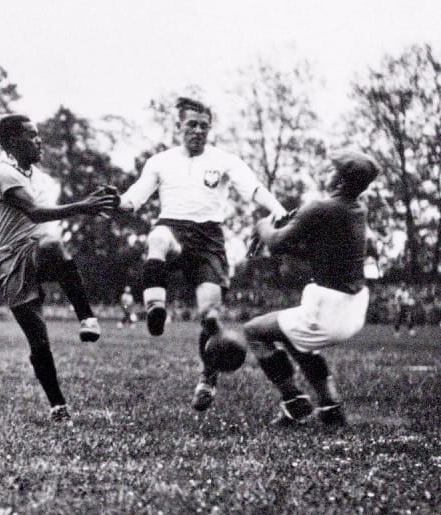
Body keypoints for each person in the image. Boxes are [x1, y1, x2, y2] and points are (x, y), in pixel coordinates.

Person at [117, 97, 287, 412]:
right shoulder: (160, 161)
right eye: (191, 124)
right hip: (174, 229)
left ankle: (207, 379)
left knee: (209, 315)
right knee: (157, 237)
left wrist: (278, 208)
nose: (198, 131)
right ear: (179, 126)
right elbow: (134, 197)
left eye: (204, 126)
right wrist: (118, 202)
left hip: (209, 238)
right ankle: (156, 309)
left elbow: (253, 187)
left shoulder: (224, 160)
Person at [0, 113, 118, 423]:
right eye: (31, 136)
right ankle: (58, 406)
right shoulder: (4, 173)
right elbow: (35, 213)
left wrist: (92, 209)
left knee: (52, 246)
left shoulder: (41, 179)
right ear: (11, 143)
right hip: (11, 260)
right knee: (39, 340)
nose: (39, 140)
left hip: (36, 252)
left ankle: (87, 318)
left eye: (38, 134)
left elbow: (48, 227)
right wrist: (83, 207)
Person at [243, 150, 380, 427]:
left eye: (334, 171)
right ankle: (331, 406)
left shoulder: (320, 207)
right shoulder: (357, 209)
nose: (329, 174)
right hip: (352, 309)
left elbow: (277, 243)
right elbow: (317, 253)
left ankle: (293, 400)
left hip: (328, 310)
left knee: (254, 332)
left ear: (340, 182)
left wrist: (263, 227)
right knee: (295, 339)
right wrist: (296, 228)